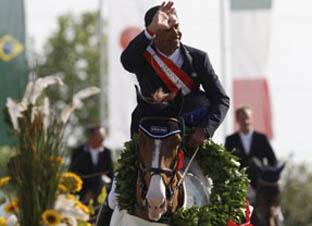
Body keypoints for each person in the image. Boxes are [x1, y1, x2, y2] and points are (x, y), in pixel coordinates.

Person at [96, 2, 229, 225]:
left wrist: (205, 131)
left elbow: (221, 99)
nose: (177, 33)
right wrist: (149, 30)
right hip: (149, 137)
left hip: (189, 136)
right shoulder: (142, 57)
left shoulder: (198, 58)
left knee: (220, 185)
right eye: (168, 28)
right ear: (155, 32)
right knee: (116, 191)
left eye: (177, 26)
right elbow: (126, 60)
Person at [224, 106, 277, 203]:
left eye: (247, 118)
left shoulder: (261, 138)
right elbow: (225, 162)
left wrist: (268, 177)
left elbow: (273, 160)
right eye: (242, 118)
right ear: (238, 120)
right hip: (239, 188)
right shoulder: (231, 140)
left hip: (260, 187)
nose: (246, 121)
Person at [69, 126, 114, 205]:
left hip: (101, 196)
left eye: (103, 137)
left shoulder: (107, 152)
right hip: (81, 196)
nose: (103, 139)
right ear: (91, 137)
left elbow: (110, 173)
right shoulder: (78, 152)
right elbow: (73, 173)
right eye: (100, 137)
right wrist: (85, 193)